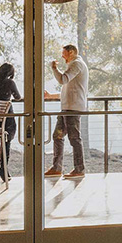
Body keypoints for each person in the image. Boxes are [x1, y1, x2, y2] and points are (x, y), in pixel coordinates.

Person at [46, 44, 89, 179]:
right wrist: (51, 96)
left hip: (73, 108)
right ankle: (57, 167)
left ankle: (79, 168)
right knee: (57, 136)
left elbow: (63, 79)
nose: (62, 56)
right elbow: (69, 89)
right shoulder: (74, 66)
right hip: (67, 107)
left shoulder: (77, 64)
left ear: (71, 52)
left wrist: (54, 68)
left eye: (64, 53)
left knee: (74, 138)